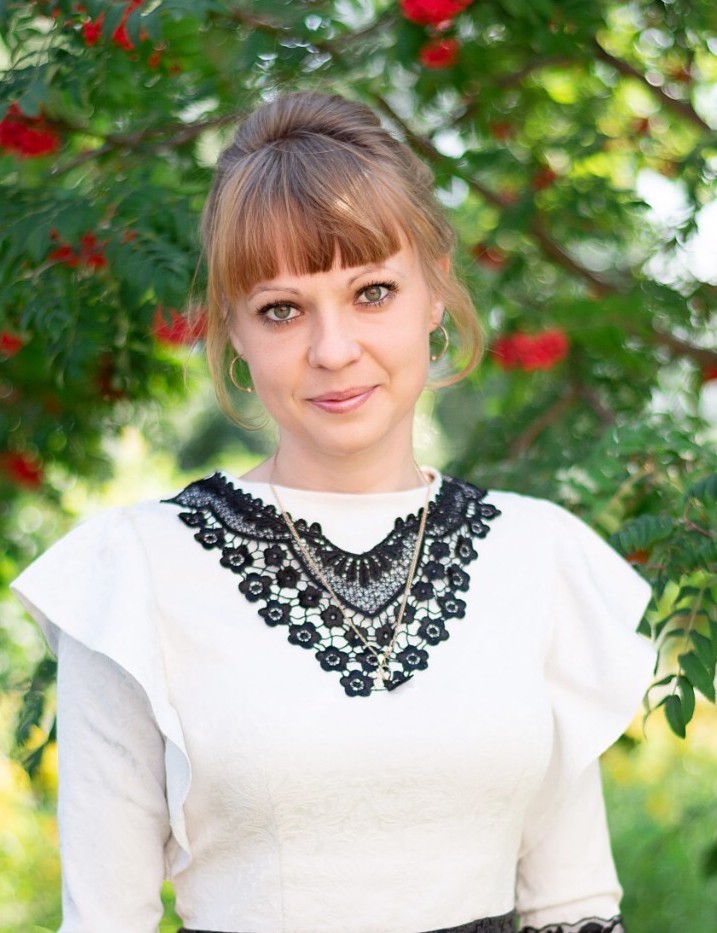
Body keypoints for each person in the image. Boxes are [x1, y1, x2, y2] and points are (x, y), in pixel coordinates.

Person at [11, 91, 655, 933]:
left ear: (434, 291)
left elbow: (573, 906)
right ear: (233, 330)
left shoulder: (539, 555)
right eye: (281, 309)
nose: (333, 349)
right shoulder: (134, 571)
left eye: (372, 292)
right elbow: (105, 921)